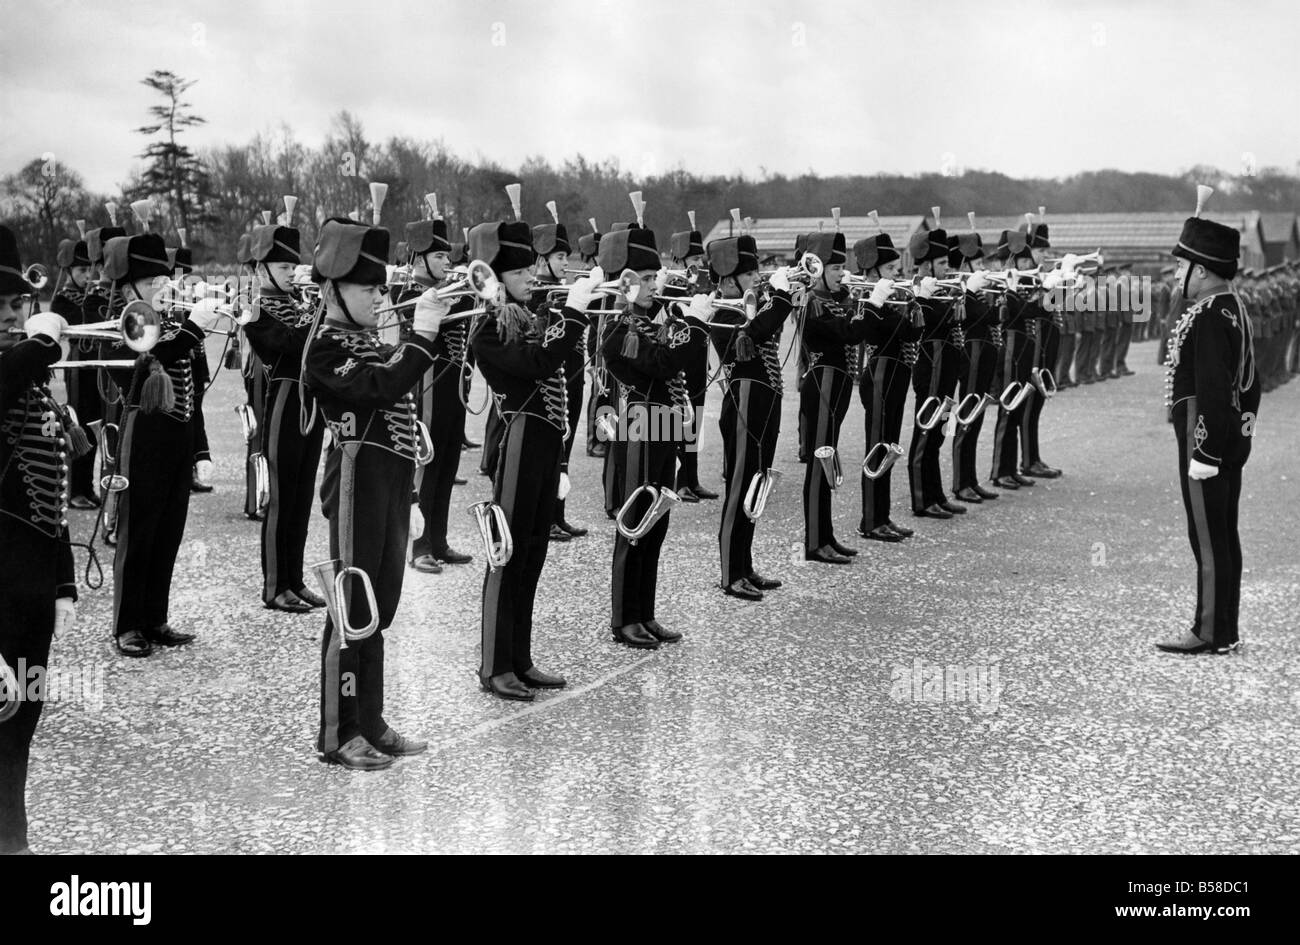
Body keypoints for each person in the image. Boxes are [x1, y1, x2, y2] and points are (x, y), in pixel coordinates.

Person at [305, 217, 445, 768]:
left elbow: (395, 397)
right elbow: (383, 387)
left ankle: (372, 719)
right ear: (332, 289)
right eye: (369, 288)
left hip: (387, 480)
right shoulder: (323, 349)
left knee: (381, 601)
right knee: (351, 603)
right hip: (356, 480)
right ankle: (338, 732)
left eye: (381, 286)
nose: (380, 297)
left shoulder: (363, 338)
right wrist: (422, 337)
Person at [470, 217, 594, 697]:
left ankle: (520, 658)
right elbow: (536, 363)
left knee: (534, 553)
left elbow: (550, 349)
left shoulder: (529, 315)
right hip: (519, 443)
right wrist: (576, 317)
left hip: (545, 445)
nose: (532, 279)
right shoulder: (488, 331)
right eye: (520, 274)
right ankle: (494, 665)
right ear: (497, 279)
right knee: (508, 555)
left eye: (529, 271)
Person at [0, 228, 80, 854]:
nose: (8, 312)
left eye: (13, 303)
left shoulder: (25, 381)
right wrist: (35, 348)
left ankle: (13, 840)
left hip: (27, 595)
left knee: (18, 725)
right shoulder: (15, 371)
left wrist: (61, 582)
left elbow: (50, 491)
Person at [107, 230, 223, 657]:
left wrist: (199, 449)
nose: (162, 286)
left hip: (176, 437)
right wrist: (193, 331)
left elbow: (194, 390)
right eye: (151, 280)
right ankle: (126, 624)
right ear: (127, 288)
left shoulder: (173, 324)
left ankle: (154, 617)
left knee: (168, 533)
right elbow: (142, 368)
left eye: (163, 279)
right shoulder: (119, 327)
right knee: (138, 532)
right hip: (144, 436)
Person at [1156, 187, 1259, 655]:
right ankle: (1225, 629)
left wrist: (1206, 450)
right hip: (1221, 441)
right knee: (1222, 535)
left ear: (1202, 269)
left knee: (1208, 538)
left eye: (1183, 266)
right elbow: (1250, 388)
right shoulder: (1229, 308)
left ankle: (1209, 631)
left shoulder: (1212, 314)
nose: (1177, 274)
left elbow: (1216, 391)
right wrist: (1238, 440)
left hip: (1205, 444)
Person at [601, 222, 707, 646]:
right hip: (640, 424)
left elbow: (674, 359)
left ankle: (645, 612)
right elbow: (663, 363)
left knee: (657, 521)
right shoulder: (618, 330)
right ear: (623, 283)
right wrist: (695, 326)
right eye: (643, 280)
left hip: (662, 422)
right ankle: (624, 617)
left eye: (651, 278)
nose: (651, 286)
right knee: (635, 520)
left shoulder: (651, 319)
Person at [242, 221, 328, 612]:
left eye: (293, 267)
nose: (292, 273)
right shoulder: (255, 312)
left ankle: (294, 578)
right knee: (280, 498)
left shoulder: (299, 304)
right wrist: (325, 308)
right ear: (262, 270)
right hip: (282, 405)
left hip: (309, 404)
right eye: (282, 268)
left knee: (301, 495)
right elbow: (290, 344)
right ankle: (275, 585)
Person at [710, 233, 793, 598]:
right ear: (729, 280)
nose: (757, 278)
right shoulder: (723, 313)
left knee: (756, 487)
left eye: (757, 270)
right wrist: (780, 299)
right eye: (749, 273)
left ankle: (746, 565)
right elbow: (755, 333)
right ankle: (731, 572)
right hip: (743, 406)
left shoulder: (751, 307)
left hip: (764, 402)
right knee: (739, 487)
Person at [398, 215, 474, 573]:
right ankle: (419, 545)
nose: (448, 263)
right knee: (426, 467)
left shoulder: (449, 292)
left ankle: (439, 541)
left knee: (446, 466)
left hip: (452, 387)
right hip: (426, 386)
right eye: (440, 257)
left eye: (447, 257)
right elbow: (448, 314)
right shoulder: (408, 294)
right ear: (419, 258)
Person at [854, 228, 920, 541]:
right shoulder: (868, 298)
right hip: (880, 372)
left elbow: (912, 332)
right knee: (877, 447)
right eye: (891, 269)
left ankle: (883, 516)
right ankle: (870, 520)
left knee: (889, 447)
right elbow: (898, 331)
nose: (897, 274)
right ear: (874, 271)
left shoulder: (888, 299)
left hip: (896, 373)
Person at [530, 204, 590, 541]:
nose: (566, 263)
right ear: (542, 260)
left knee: (564, 449)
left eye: (567, 256)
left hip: (574, 376)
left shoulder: (567, 291)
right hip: (552, 379)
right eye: (559, 257)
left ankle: (559, 514)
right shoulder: (536, 296)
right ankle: (546, 516)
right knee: (551, 450)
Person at [905, 219, 964, 519]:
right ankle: (921, 499)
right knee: (924, 434)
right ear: (925, 265)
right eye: (941, 262)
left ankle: (936, 494)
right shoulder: (916, 293)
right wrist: (927, 296)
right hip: (930, 370)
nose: (947, 268)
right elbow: (926, 323)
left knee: (940, 432)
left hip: (946, 370)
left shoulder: (941, 288)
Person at [946, 229, 1002, 505]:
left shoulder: (978, 292)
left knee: (976, 420)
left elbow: (994, 316)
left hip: (985, 354)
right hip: (971, 354)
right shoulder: (960, 291)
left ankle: (971, 479)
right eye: (978, 265)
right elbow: (977, 317)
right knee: (966, 418)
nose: (983, 270)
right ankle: (960, 482)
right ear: (965, 267)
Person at [665, 213, 718, 503]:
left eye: (700, 256)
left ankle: (692, 478)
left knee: (694, 419)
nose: (699, 263)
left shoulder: (704, 284)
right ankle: (678, 479)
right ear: (680, 261)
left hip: (698, 357)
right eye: (693, 258)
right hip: (678, 359)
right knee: (678, 420)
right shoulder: (671, 287)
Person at [988, 230, 1043, 490]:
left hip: (1022, 347)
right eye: (1022, 262)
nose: (1028, 266)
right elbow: (1026, 311)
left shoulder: (1019, 285)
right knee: (1007, 409)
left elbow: (1037, 309)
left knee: (1017, 407)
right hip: (1010, 345)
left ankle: (1010, 469)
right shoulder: (1001, 285)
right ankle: (1000, 470)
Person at [49, 235, 100, 508]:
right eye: (82, 270)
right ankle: (77, 490)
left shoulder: (94, 294)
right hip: (79, 367)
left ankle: (88, 486)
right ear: (69, 272)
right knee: (80, 426)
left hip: (98, 367)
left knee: (95, 429)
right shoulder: (63, 299)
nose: (88, 275)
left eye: (91, 269)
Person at [1018, 217, 1062, 479]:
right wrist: (1047, 286)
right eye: (1040, 251)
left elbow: (1056, 306)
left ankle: (1033, 456)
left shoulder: (1043, 276)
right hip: (1033, 345)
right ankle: (1027, 460)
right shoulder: (1024, 279)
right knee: (1029, 404)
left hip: (1047, 344)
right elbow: (1034, 308)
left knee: (1038, 403)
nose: (1044, 256)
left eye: (1046, 251)